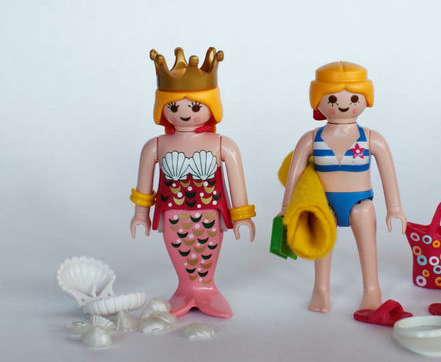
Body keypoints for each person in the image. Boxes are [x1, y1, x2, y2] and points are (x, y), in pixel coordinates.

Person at [130, 47, 255, 318]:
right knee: (180, 247)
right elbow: (144, 186)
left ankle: (206, 289)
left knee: (206, 249)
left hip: (210, 211)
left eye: (195, 106)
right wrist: (140, 214)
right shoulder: (155, 145)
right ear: (162, 108)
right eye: (174, 107)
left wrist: (242, 216)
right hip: (173, 213)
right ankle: (186, 289)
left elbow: (236, 183)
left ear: (212, 106)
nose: (184, 113)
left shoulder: (223, 144)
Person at [280, 61, 407, 312]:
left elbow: (388, 175)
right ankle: (321, 290)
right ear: (317, 100)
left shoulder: (371, 139)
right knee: (321, 240)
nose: (343, 104)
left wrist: (395, 209)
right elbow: (295, 175)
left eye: (354, 97)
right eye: (332, 98)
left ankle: (372, 289)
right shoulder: (311, 139)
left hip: (360, 202)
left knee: (366, 231)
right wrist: (286, 209)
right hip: (324, 203)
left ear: (366, 98)